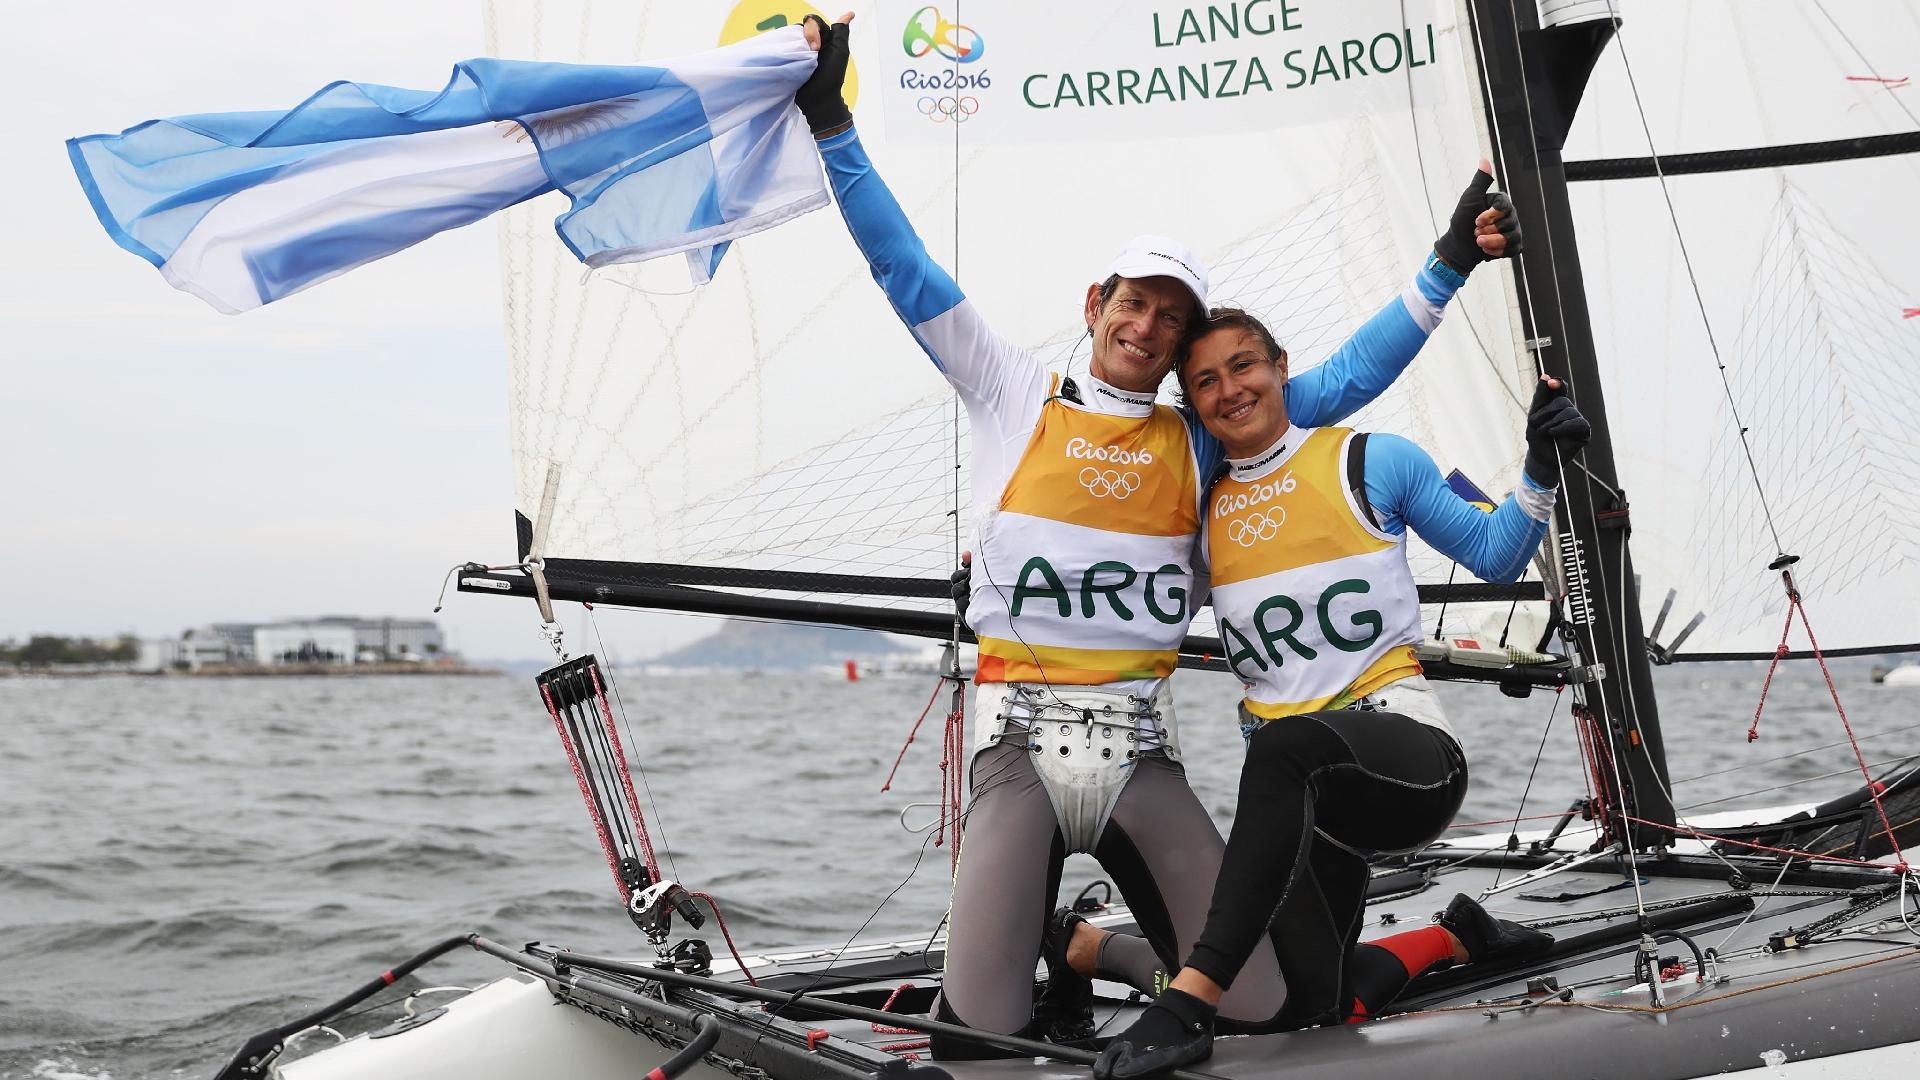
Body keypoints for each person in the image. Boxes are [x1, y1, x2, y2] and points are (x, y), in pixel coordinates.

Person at [794, 14, 1522, 1054]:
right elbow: (899, 265)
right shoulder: (1009, 389)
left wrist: (1449, 260)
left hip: (1141, 751)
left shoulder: (1203, 435)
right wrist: (831, 122)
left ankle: (1091, 948)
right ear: (1097, 305)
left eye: (1170, 317)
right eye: (1133, 304)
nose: (1146, 326)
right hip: (1018, 747)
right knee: (979, 1042)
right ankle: (1048, 950)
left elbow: (1345, 380)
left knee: (1268, 1006)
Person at [1089, 310, 1588, 1079]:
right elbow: (1121, 596)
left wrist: (1541, 465)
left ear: (1281, 366)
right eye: (1205, 382)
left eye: (1244, 366)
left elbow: (1494, 554)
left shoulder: (1370, 460)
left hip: (1405, 760)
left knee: (1289, 746)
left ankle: (1186, 998)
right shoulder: (1198, 512)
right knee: (1303, 1008)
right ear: (1193, 404)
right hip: (1305, 813)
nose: (1231, 390)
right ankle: (1456, 936)